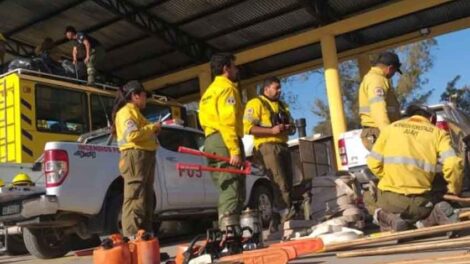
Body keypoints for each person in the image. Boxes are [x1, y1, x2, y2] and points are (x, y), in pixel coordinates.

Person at [367, 104, 463, 231]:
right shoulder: (438, 133)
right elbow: (453, 163)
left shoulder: (390, 129)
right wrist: (454, 189)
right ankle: (433, 214)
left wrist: (389, 178)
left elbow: (373, 162)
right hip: (423, 204)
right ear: (431, 120)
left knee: (368, 195)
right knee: (438, 184)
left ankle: (389, 218)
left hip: (392, 202)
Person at [198, 53, 245, 230]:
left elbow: (203, 120)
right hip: (224, 140)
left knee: (225, 187)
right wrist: (234, 150)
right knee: (233, 187)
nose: (236, 70)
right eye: (234, 66)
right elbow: (228, 121)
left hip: (210, 140)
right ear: (226, 69)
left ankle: (231, 231)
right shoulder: (228, 89)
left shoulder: (208, 93)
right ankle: (230, 234)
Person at [243, 76, 295, 233]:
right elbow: (247, 128)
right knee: (280, 183)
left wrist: (288, 127)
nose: (279, 91)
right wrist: (271, 131)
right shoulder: (255, 104)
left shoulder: (282, 105)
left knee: (288, 183)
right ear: (266, 89)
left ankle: (276, 223)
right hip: (267, 147)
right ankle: (288, 219)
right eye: (276, 88)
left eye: (279, 88)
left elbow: (291, 126)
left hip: (283, 145)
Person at [112, 80, 161, 237]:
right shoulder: (126, 112)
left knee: (145, 197)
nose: (146, 99)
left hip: (142, 156)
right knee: (135, 197)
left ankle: (144, 234)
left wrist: (153, 130)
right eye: (144, 96)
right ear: (135, 96)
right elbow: (132, 135)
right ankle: (132, 236)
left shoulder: (135, 112)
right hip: (135, 156)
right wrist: (153, 128)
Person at [358, 51, 402, 151]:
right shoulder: (377, 80)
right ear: (390, 68)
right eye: (394, 71)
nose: (393, 74)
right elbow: (378, 109)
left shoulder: (372, 78)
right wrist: (389, 134)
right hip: (378, 131)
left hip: (376, 131)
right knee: (393, 164)